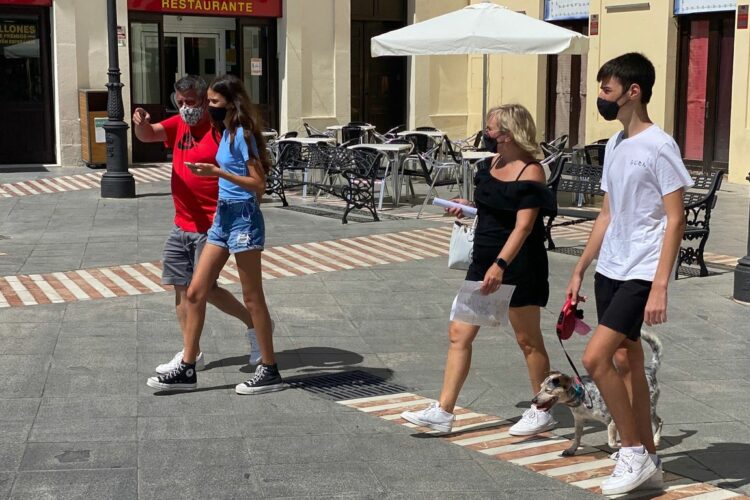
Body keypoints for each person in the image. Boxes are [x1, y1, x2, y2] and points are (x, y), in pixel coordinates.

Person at [565, 53, 692, 496]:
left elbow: (675, 220)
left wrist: (660, 285)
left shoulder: (660, 146)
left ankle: (632, 451)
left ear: (632, 91)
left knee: (595, 358)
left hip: (641, 270)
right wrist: (581, 267)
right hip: (611, 266)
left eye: (606, 89)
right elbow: (607, 212)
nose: (600, 96)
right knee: (625, 358)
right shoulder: (616, 145)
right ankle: (651, 457)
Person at [402, 104, 557, 436]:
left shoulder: (531, 172)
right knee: (459, 333)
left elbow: (524, 227)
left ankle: (541, 409)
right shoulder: (490, 165)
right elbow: (490, 208)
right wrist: (465, 207)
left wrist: (501, 265)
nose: (485, 135)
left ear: (510, 134)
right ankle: (443, 411)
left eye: (491, 130)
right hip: (482, 261)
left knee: (527, 339)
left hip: (518, 265)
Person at [147, 74, 282, 394]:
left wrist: (217, 172)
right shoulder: (221, 131)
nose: (208, 107)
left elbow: (259, 184)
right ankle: (188, 367)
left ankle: (269, 368)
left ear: (230, 104)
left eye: (213, 103)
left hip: (243, 219)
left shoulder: (241, 135)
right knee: (195, 291)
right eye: (206, 101)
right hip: (221, 218)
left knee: (252, 296)